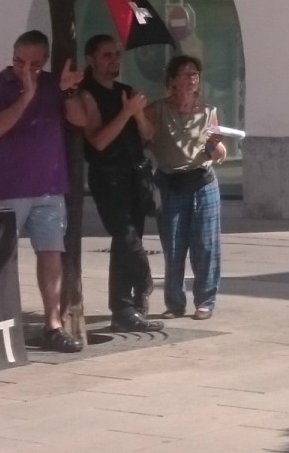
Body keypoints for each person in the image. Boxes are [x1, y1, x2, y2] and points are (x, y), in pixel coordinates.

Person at [0, 31, 85, 354]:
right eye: (20, 62)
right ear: (12, 56)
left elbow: (81, 120)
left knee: (51, 253)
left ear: (46, 61)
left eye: (35, 64)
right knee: (0, 258)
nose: (27, 69)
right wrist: (26, 95)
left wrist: (68, 92)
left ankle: (53, 324)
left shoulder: (56, 84)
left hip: (48, 185)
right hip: (6, 185)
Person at [68, 35, 162, 333]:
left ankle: (123, 308)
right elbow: (97, 141)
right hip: (108, 175)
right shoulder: (87, 95)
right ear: (92, 60)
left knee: (127, 240)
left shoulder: (127, 92)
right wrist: (126, 113)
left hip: (135, 173)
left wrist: (137, 115)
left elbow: (148, 135)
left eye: (117, 55)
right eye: (107, 55)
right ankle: (144, 280)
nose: (114, 60)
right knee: (125, 235)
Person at [151, 55, 229, 320]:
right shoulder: (158, 110)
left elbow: (217, 153)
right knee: (173, 246)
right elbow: (145, 138)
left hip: (202, 182)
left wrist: (215, 145)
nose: (192, 78)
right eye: (185, 73)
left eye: (195, 73)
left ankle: (205, 301)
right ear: (172, 80)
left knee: (206, 246)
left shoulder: (208, 111)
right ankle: (175, 303)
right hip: (170, 182)